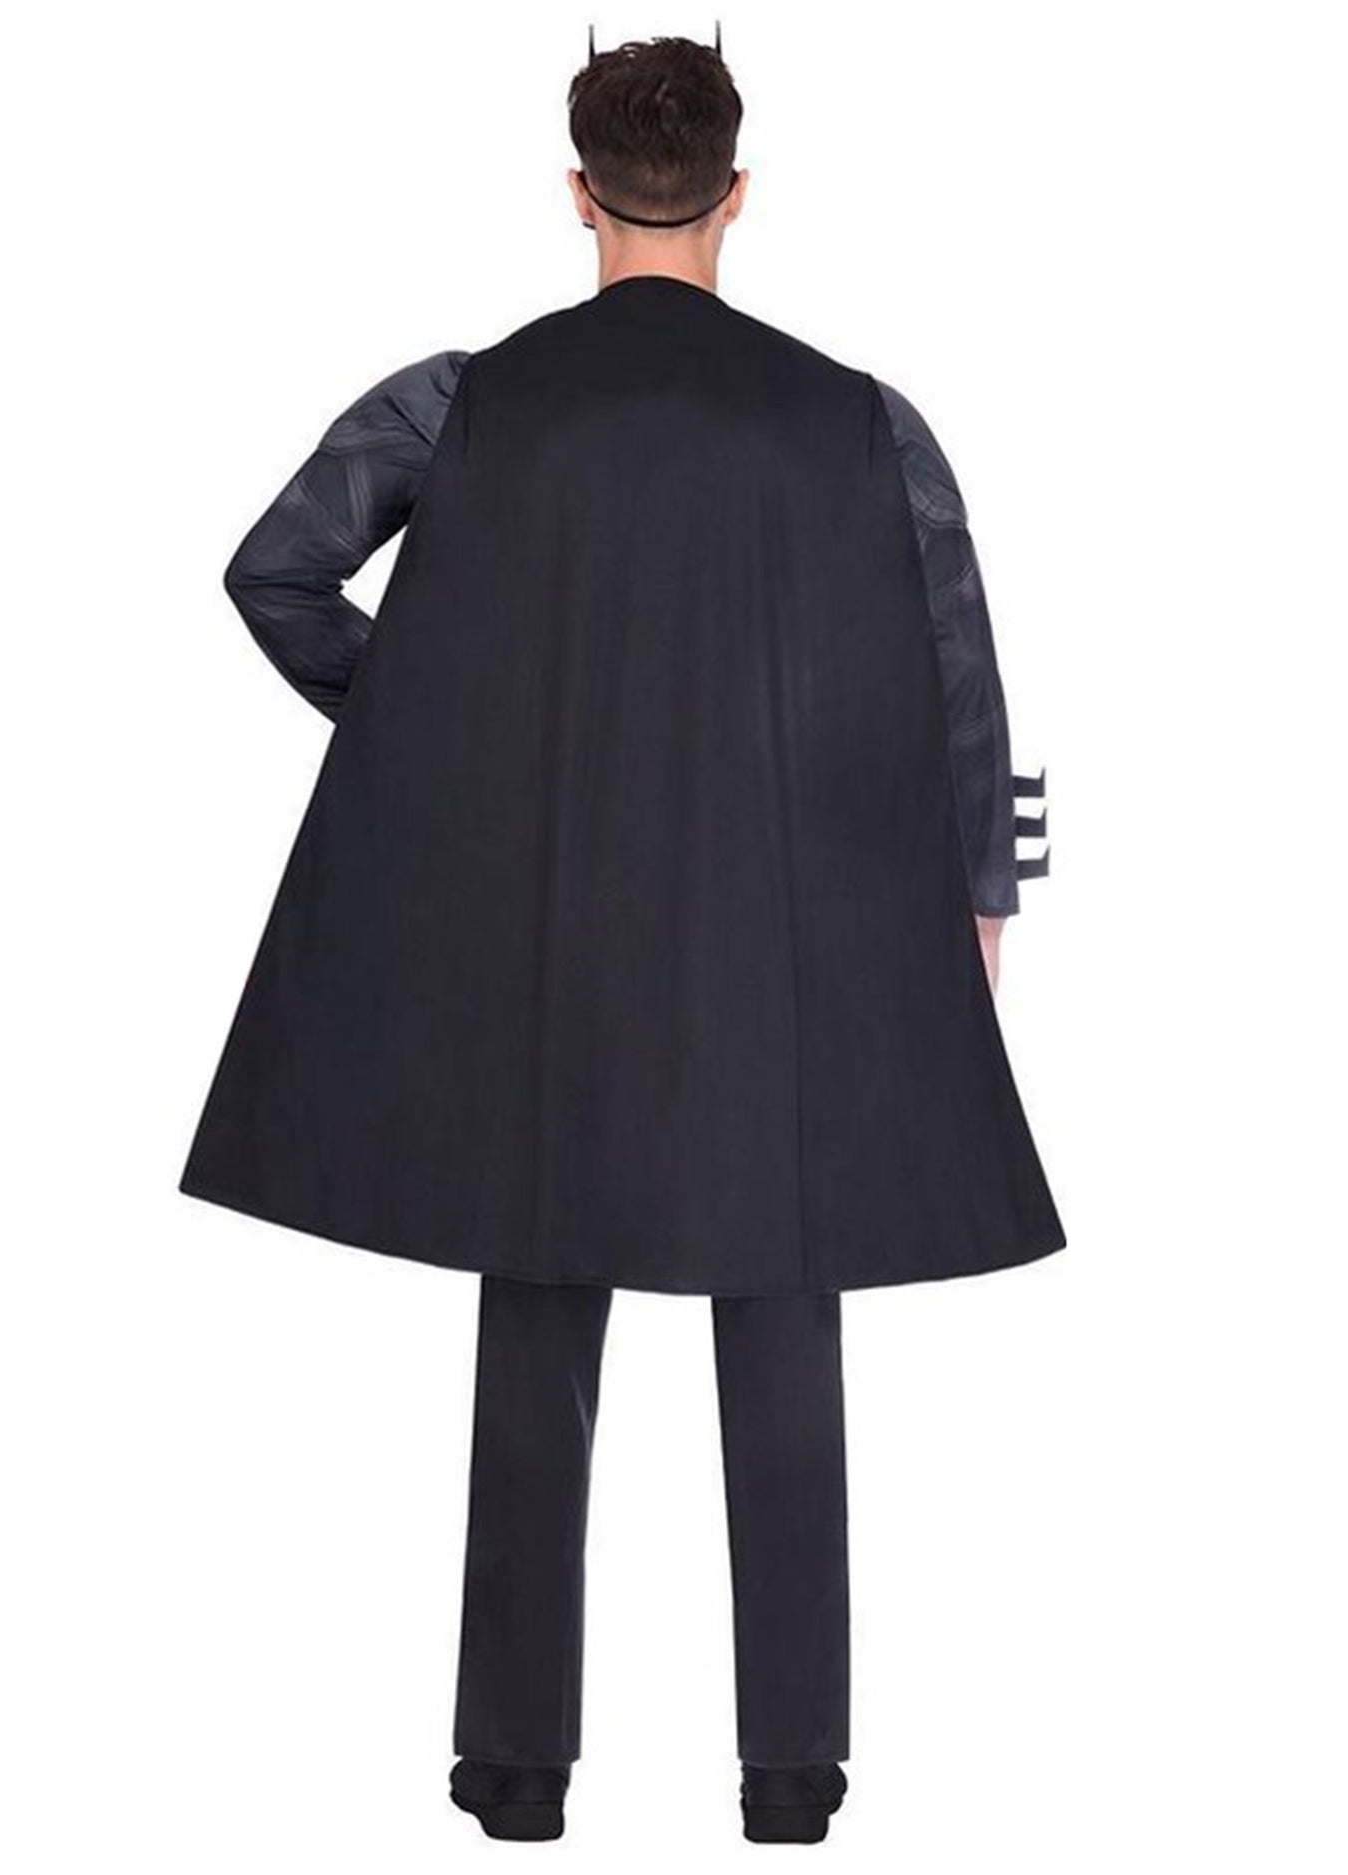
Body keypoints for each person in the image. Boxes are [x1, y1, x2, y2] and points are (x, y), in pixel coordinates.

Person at [178, 24, 1065, 1845]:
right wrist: (982, 889)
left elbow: (275, 569)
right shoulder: (860, 418)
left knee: (534, 1304)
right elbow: (952, 667)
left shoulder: (461, 400)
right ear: (738, 195)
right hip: (788, 940)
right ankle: (792, 1783)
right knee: (786, 1313)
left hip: (543, 925)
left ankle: (511, 1779)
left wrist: (431, 723)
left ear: (577, 195)